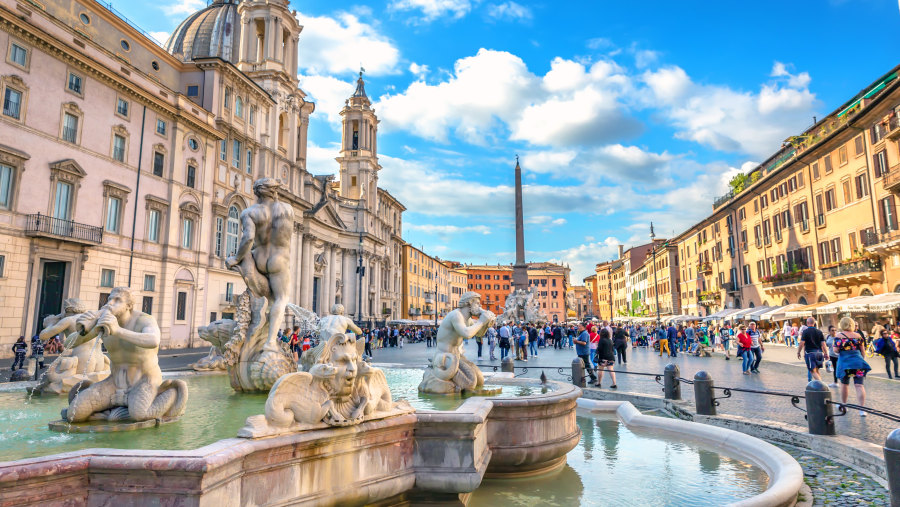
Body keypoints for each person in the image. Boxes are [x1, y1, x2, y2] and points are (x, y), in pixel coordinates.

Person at [833, 317, 871, 416]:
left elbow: (835, 350)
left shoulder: (839, 336)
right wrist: (860, 360)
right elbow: (863, 352)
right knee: (859, 385)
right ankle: (862, 410)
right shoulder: (858, 336)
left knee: (845, 384)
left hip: (845, 363)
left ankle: (844, 405)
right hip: (858, 362)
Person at [798, 317, 829, 382]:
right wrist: (826, 353)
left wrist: (798, 352)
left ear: (807, 323)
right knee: (816, 371)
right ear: (814, 323)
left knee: (812, 371)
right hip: (819, 354)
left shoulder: (805, 332)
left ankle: (822, 385)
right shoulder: (819, 332)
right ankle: (819, 387)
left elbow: (802, 343)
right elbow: (823, 344)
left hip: (810, 354)